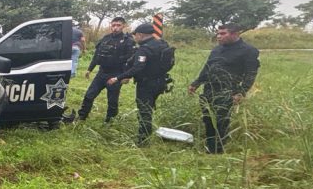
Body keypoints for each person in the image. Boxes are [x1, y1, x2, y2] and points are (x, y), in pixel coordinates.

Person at [188, 22, 260, 154]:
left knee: (221, 120)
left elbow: (250, 74)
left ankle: (218, 149)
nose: (218, 36)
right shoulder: (217, 50)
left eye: (222, 33)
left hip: (228, 90)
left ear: (235, 34)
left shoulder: (248, 51)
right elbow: (207, 67)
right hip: (209, 88)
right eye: (218, 33)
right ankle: (210, 147)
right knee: (208, 119)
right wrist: (196, 83)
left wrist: (241, 92)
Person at [104, 23, 172, 145]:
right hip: (161, 82)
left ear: (140, 35)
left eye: (135, 35)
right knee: (148, 108)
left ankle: (143, 141)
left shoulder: (144, 49)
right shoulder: (162, 44)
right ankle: (146, 135)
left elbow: (138, 67)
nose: (135, 37)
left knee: (144, 111)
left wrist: (118, 78)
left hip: (146, 84)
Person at [74, 17, 135, 123]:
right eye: (113, 25)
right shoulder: (106, 38)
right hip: (102, 72)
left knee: (112, 100)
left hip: (116, 74)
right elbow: (97, 55)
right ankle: (82, 117)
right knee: (89, 95)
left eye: (118, 25)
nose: (115, 27)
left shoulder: (127, 41)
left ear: (123, 26)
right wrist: (89, 69)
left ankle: (109, 121)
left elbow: (131, 59)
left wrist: (127, 76)